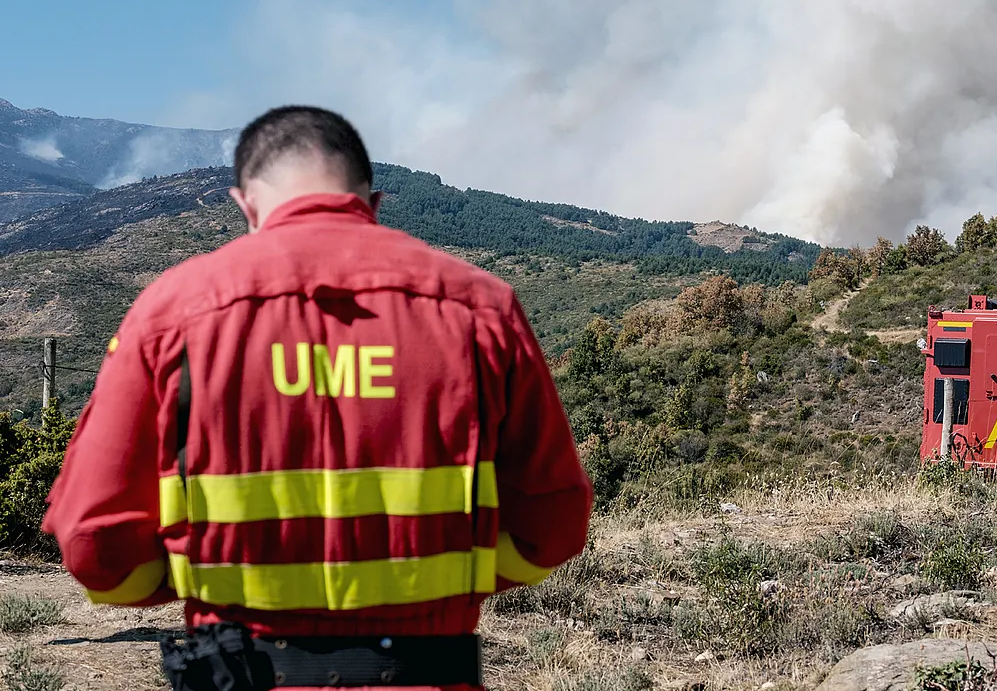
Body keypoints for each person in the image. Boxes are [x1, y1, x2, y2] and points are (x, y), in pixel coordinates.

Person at [41, 105, 594, 691]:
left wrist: (202, 576)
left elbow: (96, 547)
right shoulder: (481, 308)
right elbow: (553, 526)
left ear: (245, 206)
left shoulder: (170, 313)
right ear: (372, 206)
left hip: (239, 672)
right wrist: (452, 576)